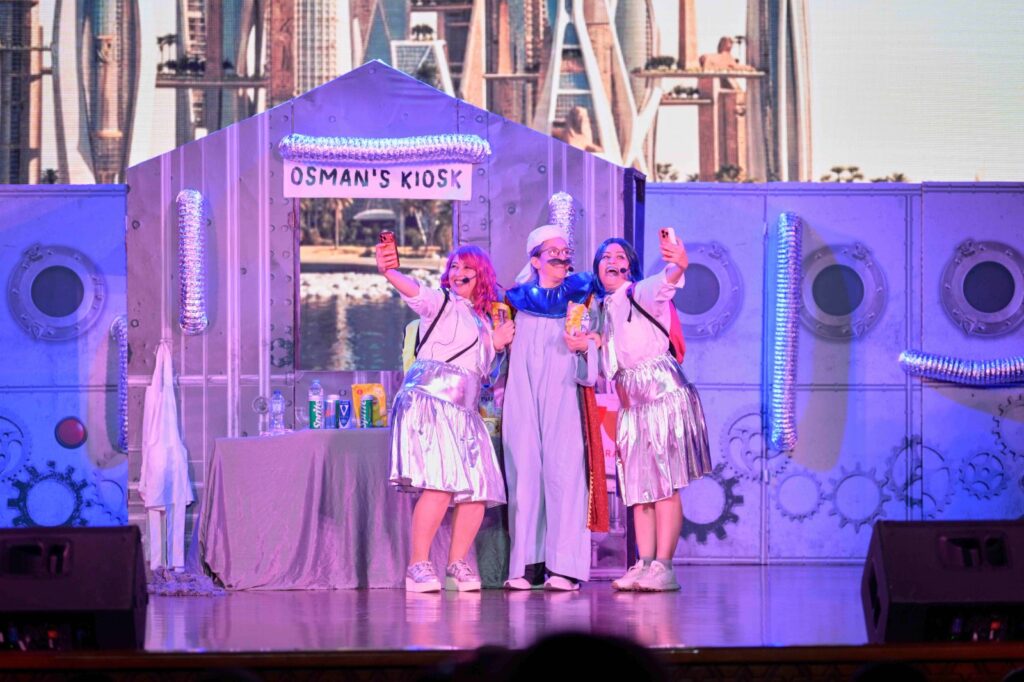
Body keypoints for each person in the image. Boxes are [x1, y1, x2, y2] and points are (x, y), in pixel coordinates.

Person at [568, 236, 711, 592]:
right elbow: (604, 355)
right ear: (598, 268)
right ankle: (645, 563)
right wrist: (585, 344)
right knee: (639, 488)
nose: (612, 260)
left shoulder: (640, 292)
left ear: (629, 266)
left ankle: (665, 566)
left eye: (619, 256)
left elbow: (668, 279)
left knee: (664, 485)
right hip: (631, 403)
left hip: (662, 394)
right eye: (605, 256)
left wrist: (679, 262)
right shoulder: (602, 310)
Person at [376, 243, 515, 592]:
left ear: (481, 275)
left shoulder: (482, 321)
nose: (458, 273)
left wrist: (496, 344)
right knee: (439, 485)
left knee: (478, 489)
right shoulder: (442, 303)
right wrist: (390, 272)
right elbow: (415, 293)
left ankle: (456, 564)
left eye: (466, 267)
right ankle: (417, 566)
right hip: (432, 398)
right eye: (453, 266)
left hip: (465, 411)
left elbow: (482, 373)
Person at [501, 224, 606, 592]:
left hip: (565, 390)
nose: (562, 257)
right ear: (536, 260)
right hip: (523, 392)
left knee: (564, 472)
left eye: (565, 251)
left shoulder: (581, 300)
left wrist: (585, 347)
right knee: (524, 471)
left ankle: (565, 567)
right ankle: (528, 564)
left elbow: (597, 344)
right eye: (554, 251)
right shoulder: (515, 302)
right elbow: (499, 354)